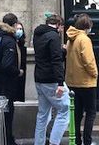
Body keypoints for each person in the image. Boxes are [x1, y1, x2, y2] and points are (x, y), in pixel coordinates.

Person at [32, 13, 69, 145]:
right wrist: (60, 82)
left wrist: (60, 51)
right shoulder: (54, 36)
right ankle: (54, 142)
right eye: (61, 28)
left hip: (39, 78)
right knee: (66, 110)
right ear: (58, 25)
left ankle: (39, 143)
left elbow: (45, 54)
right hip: (51, 80)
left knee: (42, 115)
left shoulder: (37, 34)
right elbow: (56, 60)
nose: (61, 31)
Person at [0, 13, 21, 145]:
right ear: (13, 25)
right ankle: (7, 140)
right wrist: (18, 71)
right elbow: (7, 65)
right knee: (7, 113)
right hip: (5, 85)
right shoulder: (8, 40)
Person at [65, 13, 98, 145]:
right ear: (87, 26)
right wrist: (95, 73)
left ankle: (77, 140)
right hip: (86, 82)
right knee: (90, 113)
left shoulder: (71, 39)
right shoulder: (84, 39)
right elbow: (88, 60)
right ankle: (87, 141)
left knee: (77, 114)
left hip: (73, 82)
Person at [12, 22, 27, 105]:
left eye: (21, 29)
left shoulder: (22, 46)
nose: (19, 31)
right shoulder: (11, 43)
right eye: (17, 29)